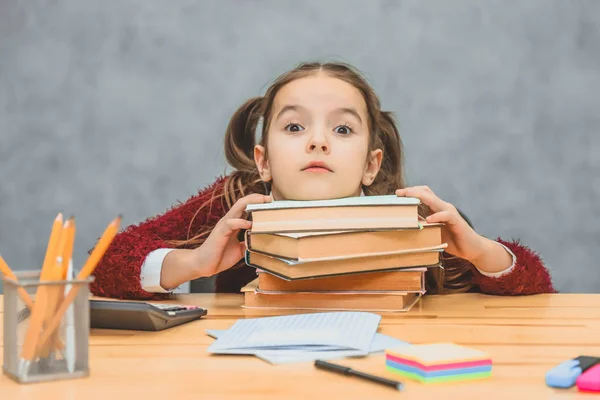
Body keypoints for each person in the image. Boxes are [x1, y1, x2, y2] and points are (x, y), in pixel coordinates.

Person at [90, 61, 556, 300]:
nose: (317, 142)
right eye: (294, 127)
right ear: (264, 160)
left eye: (342, 129)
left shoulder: (415, 218)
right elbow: (103, 267)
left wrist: (478, 251)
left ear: (371, 165)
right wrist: (194, 262)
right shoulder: (234, 207)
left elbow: (537, 294)